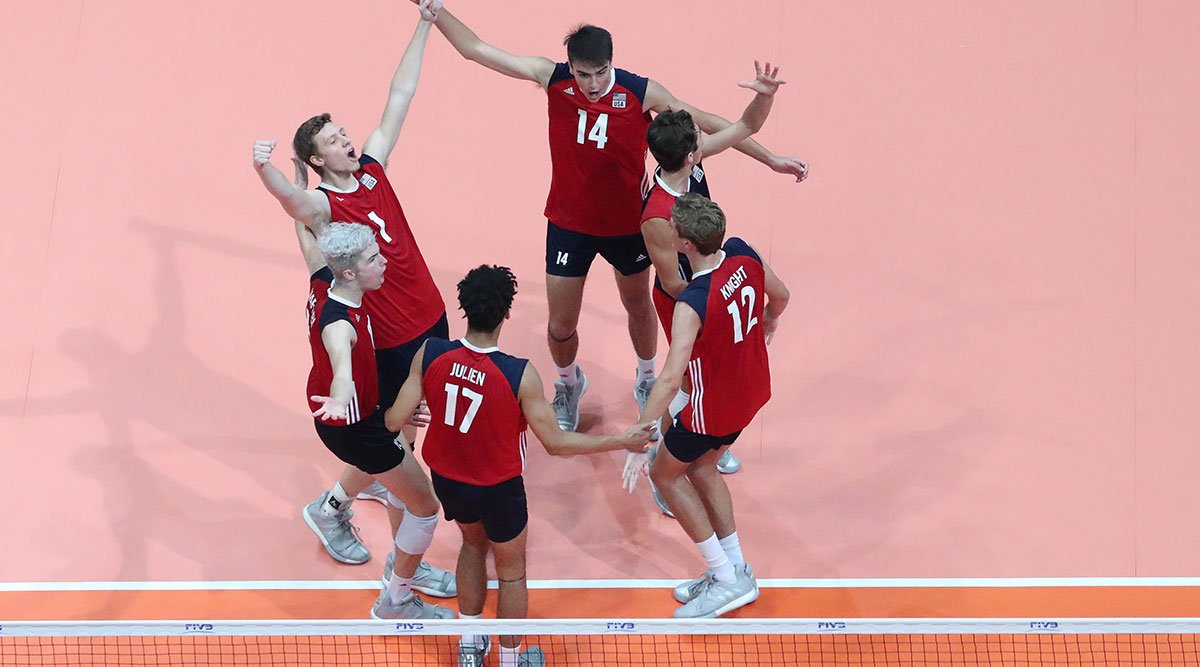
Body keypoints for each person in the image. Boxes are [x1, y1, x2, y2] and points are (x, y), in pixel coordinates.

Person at [420, 2, 808, 434]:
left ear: (612, 63)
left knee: (638, 306)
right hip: (569, 224)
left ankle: (646, 378)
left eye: (601, 72)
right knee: (560, 325)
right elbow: (475, 49)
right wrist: (436, 11)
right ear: (571, 66)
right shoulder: (552, 78)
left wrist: (771, 159)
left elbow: (708, 125)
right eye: (583, 74)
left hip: (629, 227)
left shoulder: (641, 92)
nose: (592, 84)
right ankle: (568, 383)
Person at [250, 1, 455, 595]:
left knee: (405, 439)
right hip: (393, 341)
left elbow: (400, 95)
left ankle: (339, 505)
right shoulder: (324, 206)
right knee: (401, 445)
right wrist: (265, 170)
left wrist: (425, 25)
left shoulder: (373, 168)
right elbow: (291, 202)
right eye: (334, 140)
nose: (346, 140)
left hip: (431, 315)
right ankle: (395, 561)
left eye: (343, 133)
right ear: (317, 159)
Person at [384, 265, 653, 667]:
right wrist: (622, 440)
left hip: (448, 480)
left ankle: (470, 647)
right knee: (511, 572)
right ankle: (511, 659)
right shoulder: (518, 374)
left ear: (464, 308)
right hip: (498, 489)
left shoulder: (431, 353)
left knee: (472, 546)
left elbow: (394, 420)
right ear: (507, 313)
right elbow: (556, 443)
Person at [637, 61, 786, 515]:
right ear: (688, 157)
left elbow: (744, 126)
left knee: (716, 376)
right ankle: (662, 461)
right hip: (687, 299)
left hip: (710, 283)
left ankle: (708, 440)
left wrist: (764, 95)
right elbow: (672, 282)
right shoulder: (657, 217)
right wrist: (718, 300)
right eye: (698, 143)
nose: (704, 142)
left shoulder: (690, 162)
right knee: (687, 380)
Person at [631, 193, 790, 619]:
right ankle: (736, 571)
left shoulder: (693, 301)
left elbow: (670, 378)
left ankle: (724, 578)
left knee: (664, 473)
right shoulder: (743, 253)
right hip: (751, 390)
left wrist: (639, 433)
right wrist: (770, 318)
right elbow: (781, 295)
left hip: (713, 407)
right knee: (702, 468)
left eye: (674, 228)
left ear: (684, 243)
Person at [306, 222, 455, 620]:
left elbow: (306, 235)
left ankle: (329, 509)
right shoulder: (340, 325)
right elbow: (341, 367)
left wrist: (300, 198)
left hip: (370, 412)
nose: (384, 261)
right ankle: (396, 599)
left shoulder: (323, 279)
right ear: (350, 271)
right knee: (424, 505)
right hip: (357, 429)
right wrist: (341, 397)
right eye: (373, 258)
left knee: (400, 467)